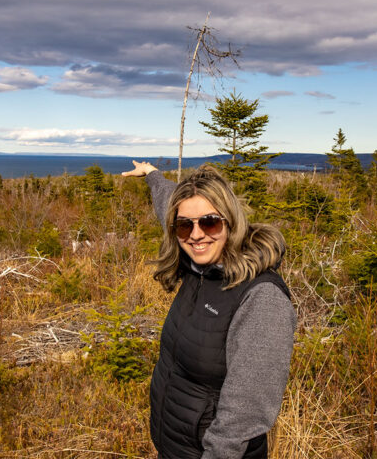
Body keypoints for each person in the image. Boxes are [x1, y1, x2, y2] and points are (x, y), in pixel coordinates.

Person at [122, 160, 297, 459]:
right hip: (175, 446)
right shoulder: (199, 268)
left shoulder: (261, 298)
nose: (196, 234)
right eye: (184, 225)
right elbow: (168, 201)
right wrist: (151, 174)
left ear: (230, 221)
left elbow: (243, 416)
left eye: (210, 222)